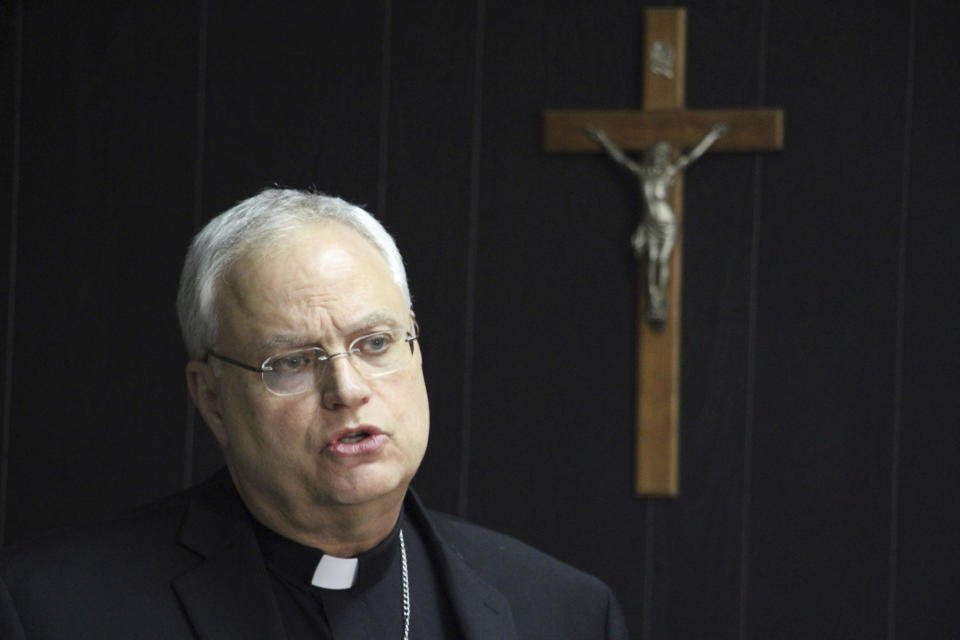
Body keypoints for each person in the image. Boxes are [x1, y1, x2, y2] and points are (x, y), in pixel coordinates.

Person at [0, 189, 628, 639]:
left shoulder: (565, 612)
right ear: (211, 396)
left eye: (376, 343)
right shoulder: (49, 610)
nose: (347, 389)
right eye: (293, 362)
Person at [587, 123, 727, 329]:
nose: (657, 158)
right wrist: (603, 139)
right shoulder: (643, 174)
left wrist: (711, 137)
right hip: (650, 222)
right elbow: (621, 159)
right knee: (651, 260)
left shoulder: (668, 173)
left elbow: (691, 157)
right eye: (654, 154)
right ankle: (653, 300)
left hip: (667, 222)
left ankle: (660, 299)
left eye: (661, 155)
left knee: (662, 260)